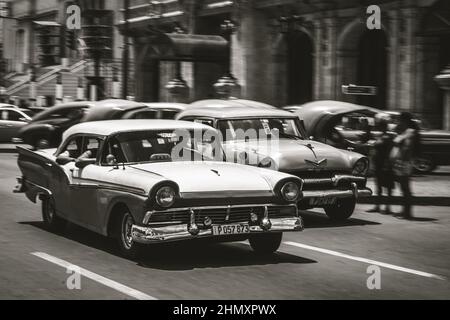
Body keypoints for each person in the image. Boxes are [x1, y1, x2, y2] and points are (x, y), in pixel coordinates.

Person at [390, 112, 421, 219]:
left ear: (404, 120)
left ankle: (407, 213)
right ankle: (405, 211)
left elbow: (407, 147)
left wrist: (401, 161)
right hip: (402, 162)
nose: (398, 121)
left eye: (399, 119)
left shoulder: (410, 132)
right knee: (403, 188)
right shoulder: (405, 131)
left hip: (404, 162)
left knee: (405, 188)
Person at [367, 114, 395, 214]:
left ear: (384, 126)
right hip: (378, 165)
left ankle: (387, 207)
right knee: (379, 186)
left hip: (385, 165)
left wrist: (387, 165)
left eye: (380, 125)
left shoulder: (389, 137)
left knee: (387, 187)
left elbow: (390, 152)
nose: (378, 127)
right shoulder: (382, 136)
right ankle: (378, 206)